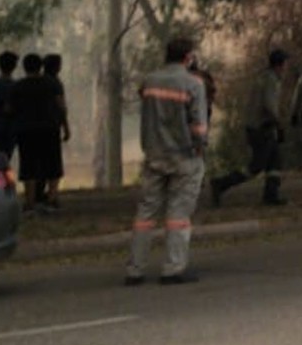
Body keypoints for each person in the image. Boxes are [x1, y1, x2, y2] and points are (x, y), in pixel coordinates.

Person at [123, 38, 210, 285]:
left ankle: (135, 269)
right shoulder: (194, 84)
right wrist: (200, 148)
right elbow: (199, 125)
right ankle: (173, 267)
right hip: (184, 156)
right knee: (178, 214)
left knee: (146, 213)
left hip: (154, 154)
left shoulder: (149, 81)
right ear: (188, 57)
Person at [212, 49, 290, 206]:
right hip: (262, 128)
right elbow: (269, 105)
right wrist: (278, 124)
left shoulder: (264, 77)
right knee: (256, 166)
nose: (287, 68)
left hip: (259, 126)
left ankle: (271, 195)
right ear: (280, 65)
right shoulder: (271, 80)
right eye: (286, 64)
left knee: (275, 162)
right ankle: (221, 184)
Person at [11, 50, 67, 212]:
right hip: (49, 128)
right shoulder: (52, 83)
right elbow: (61, 106)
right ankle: (52, 198)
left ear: (24, 67)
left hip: (26, 130)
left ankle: (29, 202)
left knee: (28, 165)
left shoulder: (18, 86)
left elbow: (10, 108)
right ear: (40, 66)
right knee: (53, 163)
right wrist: (65, 126)